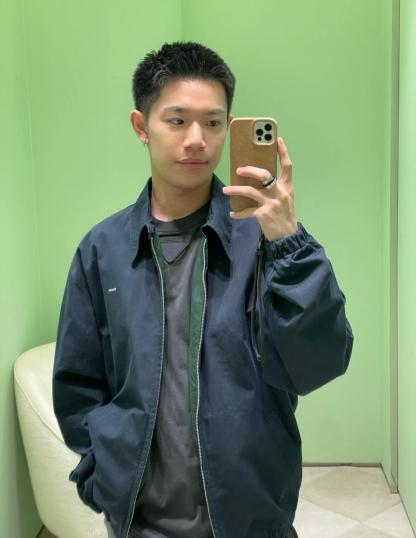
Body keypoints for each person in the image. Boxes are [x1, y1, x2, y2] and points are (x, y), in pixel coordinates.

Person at [52, 41, 353, 538]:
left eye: (213, 123)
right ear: (141, 126)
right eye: (177, 120)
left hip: (251, 519)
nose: (196, 140)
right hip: (140, 524)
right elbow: (77, 385)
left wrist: (289, 243)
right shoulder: (102, 250)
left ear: (228, 127)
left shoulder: (268, 241)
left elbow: (319, 363)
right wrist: (102, 476)